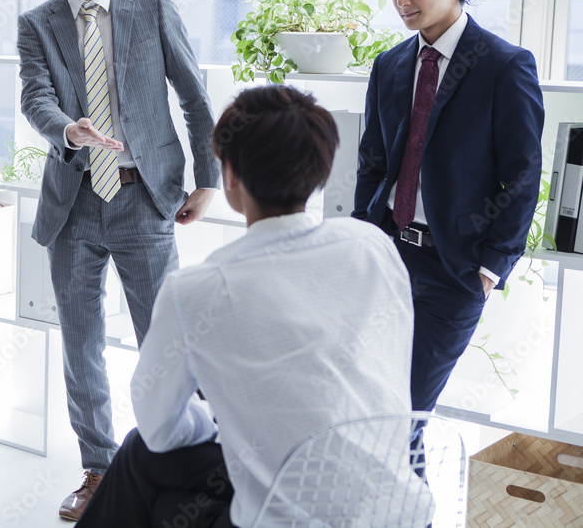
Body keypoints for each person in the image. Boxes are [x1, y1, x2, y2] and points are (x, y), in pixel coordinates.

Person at [76, 85, 430, 527]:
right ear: (321, 170)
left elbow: (160, 429)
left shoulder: (198, 290)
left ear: (231, 180)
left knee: (149, 469)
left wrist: (221, 418)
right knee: (143, 457)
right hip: (401, 512)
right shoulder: (372, 246)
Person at [17, 0, 221, 519]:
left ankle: (182, 464)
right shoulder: (37, 24)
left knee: (166, 341)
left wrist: (207, 177)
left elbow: (193, 95)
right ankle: (99, 470)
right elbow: (35, 97)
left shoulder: (152, 8)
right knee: (80, 345)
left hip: (143, 199)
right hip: (73, 200)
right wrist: (67, 131)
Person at [353, 0, 544, 420]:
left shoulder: (505, 66)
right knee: (366, 407)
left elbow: (523, 177)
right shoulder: (389, 65)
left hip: (452, 271)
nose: (401, 0)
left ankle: (405, 499)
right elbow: (372, 162)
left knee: (408, 414)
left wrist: (488, 269)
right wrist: (363, 240)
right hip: (385, 259)